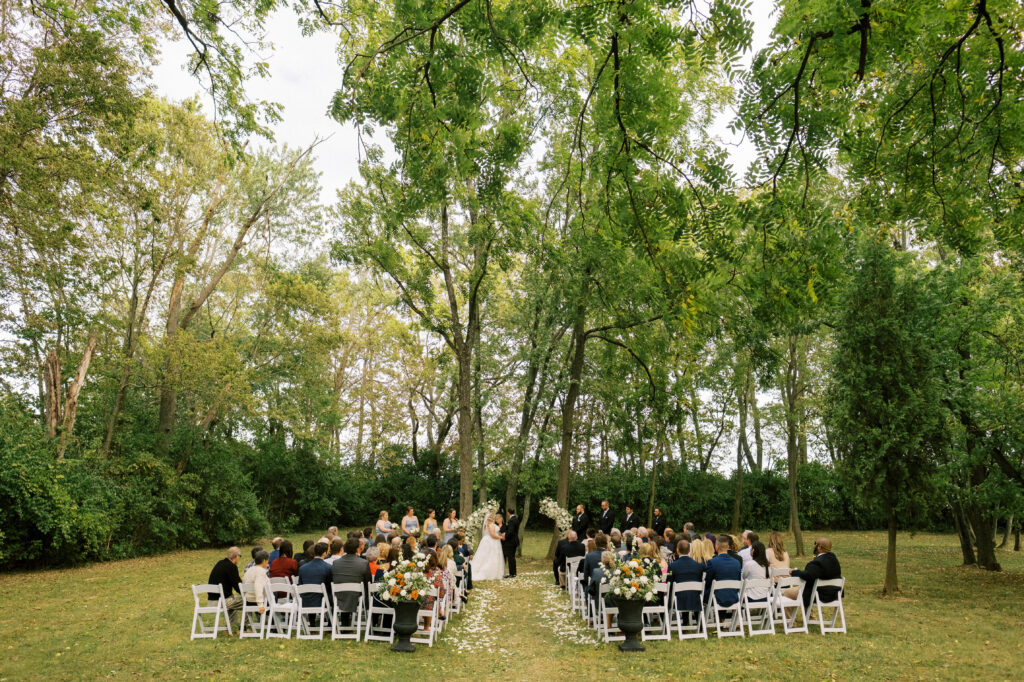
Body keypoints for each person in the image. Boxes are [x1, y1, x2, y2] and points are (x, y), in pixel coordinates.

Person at [787, 537, 842, 609]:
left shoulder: (818, 562)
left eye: (815, 543)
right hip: (835, 593)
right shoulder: (834, 559)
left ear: (819, 547)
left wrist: (795, 572)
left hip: (820, 595)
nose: (814, 546)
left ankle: (790, 617)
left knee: (788, 592)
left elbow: (808, 576)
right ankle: (808, 615)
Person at [331, 537, 372, 622]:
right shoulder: (363, 563)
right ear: (357, 549)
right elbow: (368, 582)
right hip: (356, 597)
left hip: (340, 596)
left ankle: (345, 622)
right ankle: (370, 620)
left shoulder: (335, 563)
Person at [667, 539, 703, 620]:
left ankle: (684, 621)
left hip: (679, 599)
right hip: (695, 598)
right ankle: (698, 621)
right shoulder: (699, 565)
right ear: (689, 550)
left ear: (677, 550)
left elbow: (669, 583)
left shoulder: (672, 566)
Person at [704, 535, 742, 608]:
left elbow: (707, 582)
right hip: (733, 596)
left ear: (716, 547)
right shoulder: (736, 562)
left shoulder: (712, 562)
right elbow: (738, 579)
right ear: (728, 547)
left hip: (716, 598)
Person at [207, 547, 243, 621]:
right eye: (239, 556)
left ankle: (232, 625)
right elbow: (238, 586)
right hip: (222, 602)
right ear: (236, 556)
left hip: (211, 601)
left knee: (232, 597)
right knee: (248, 601)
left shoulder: (219, 563)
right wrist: (247, 594)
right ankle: (245, 625)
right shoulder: (232, 566)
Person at [297, 542, 332, 612]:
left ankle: (312, 618)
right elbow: (329, 586)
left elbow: (300, 585)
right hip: (321, 602)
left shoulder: (302, 568)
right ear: (324, 553)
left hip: (305, 602)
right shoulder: (328, 567)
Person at [471, 513, 505, 581]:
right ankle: (490, 572)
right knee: (491, 556)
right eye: (494, 517)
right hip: (491, 541)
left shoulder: (486, 524)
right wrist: (500, 537)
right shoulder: (491, 525)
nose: (495, 518)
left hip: (486, 541)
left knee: (484, 556)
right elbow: (492, 535)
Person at [242, 550, 270, 619]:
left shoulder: (249, 570)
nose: (268, 562)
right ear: (264, 561)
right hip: (258, 602)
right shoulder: (261, 571)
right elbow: (258, 587)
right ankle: (275, 623)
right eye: (267, 561)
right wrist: (260, 605)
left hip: (248, 601)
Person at [501, 507, 520, 578]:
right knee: (512, 557)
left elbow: (510, 532)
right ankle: (513, 573)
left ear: (508, 513)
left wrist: (505, 536)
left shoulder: (511, 520)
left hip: (511, 542)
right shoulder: (516, 519)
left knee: (510, 558)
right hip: (514, 541)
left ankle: (512, 574)